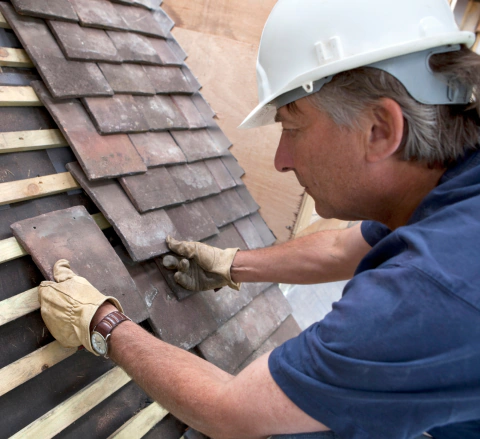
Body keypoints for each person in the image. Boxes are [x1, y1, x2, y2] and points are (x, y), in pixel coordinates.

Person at [39, 0, 480, 438]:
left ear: (380, 129)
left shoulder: (432, 289)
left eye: (294, 127)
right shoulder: (452, 187)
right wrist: (230, 264)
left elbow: (232, 412)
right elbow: (341, 248)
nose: (280, 160)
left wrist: (103, 324)